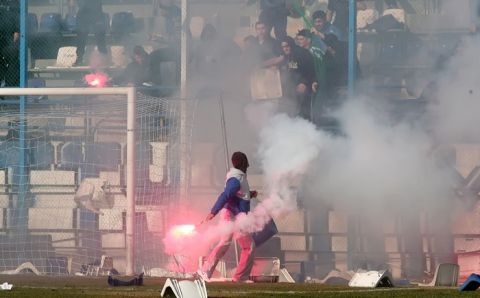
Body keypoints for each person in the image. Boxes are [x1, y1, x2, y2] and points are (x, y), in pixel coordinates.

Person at [197, 152, 257, 283]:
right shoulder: (236, 178)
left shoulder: (239, 177)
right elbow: (226, 195)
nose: (248, 165)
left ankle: (239, 278)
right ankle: (204, 271)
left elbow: (238, 195)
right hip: (231, 215)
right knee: (230, 244)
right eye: (246, 162)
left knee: (247, 246)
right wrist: (213, 212)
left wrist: (249, 194)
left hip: (238, 216)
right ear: (242, 163)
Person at [279, 36, 316, 120]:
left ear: (291, 45)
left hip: (304, 87)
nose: (285, 49)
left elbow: (310, 70)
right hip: (292, 89)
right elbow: (291, 70)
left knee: (304, 111)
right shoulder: (288, 56)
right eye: (283, 47)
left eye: (287, 46)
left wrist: (304, 83)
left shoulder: (301, 53)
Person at [74, 0, 107, 66]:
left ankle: (104, 59)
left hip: (96, 10)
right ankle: (79, 59)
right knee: (81, 36)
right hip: (83, 12)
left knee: (100, 35)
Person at [0, 0, 19, 87]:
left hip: (6, 46)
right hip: (7, 47)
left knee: (13, 53)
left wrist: (11, 44)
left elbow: (16, 34)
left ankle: (9, 86)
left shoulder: (10, 15)